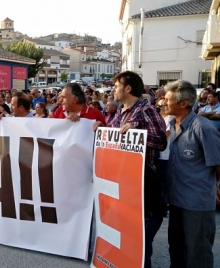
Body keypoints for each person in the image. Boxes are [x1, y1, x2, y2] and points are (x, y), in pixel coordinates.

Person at [93, 71, 167, 268]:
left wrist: (137, 134)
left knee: (141, 245)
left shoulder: (146, 111)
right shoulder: (119, 112)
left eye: (117, 86)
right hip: (123, 184)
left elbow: (160, 142)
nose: (113, 90)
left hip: (142, 185)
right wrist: (102, 127)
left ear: (128, 88)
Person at [163, 80, 220, 268]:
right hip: (176, 200)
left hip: (197, 203)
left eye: (168, 99)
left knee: (198, 253)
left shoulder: (203, 128)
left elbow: (218, 164)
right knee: (176, 249)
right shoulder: (170, 125)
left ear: (183, 103)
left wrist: (216, 189)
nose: (163, 102)